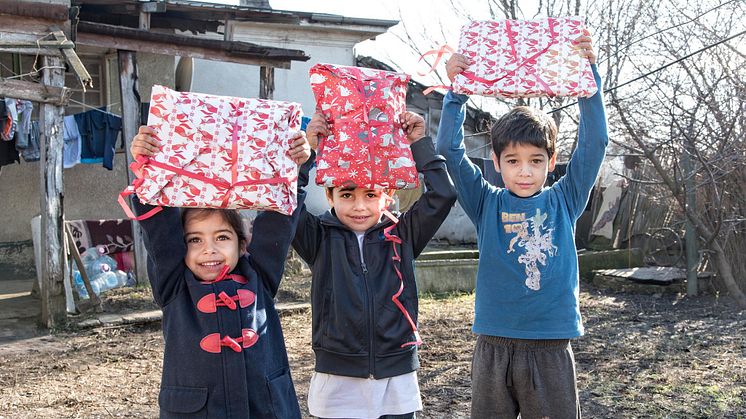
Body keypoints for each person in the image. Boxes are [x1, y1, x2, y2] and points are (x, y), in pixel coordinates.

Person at [436, 33, 608, 418]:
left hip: (550, 345)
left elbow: (596, 142)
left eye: (535, 159)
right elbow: (448, 149)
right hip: (493, 345)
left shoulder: (565, 198)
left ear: (551, 160)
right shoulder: (486, 202)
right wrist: (457, 91)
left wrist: (587, 78)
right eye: (512, 161)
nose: (525, 171)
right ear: (495, 162)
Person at [129, 125, 311, 418]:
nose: (209, 250)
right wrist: (148, 168)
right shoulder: (174, 285)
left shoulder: (259, 276)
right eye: (195, 239)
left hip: (264, 408)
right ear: (180, 246)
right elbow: (159, 229)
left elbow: (278, 219)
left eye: (222, 237)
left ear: (242, 245)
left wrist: (296, 169)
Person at [294, 112, 457, 418]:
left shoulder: (403, 234)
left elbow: (443, 194)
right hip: (337, 379)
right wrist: (311, 154)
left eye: (371, 194)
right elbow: (285, 203)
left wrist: (419, 143)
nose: (359, 206)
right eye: (346, 194)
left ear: (387, 196)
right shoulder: (318, 238)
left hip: (396, 379)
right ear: (329, 195)